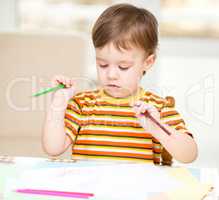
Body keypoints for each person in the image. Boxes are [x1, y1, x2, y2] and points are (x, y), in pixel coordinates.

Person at [42, 3, 198, 165]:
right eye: (102, 64)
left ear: (148, 62)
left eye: (123, 67)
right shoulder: (82, 104)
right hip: (92, 188)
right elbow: (53, 149)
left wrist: (158, 129)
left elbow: (189, 155)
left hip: (138, 189)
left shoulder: (157, 108)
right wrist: (58, 104)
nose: (111, 75)